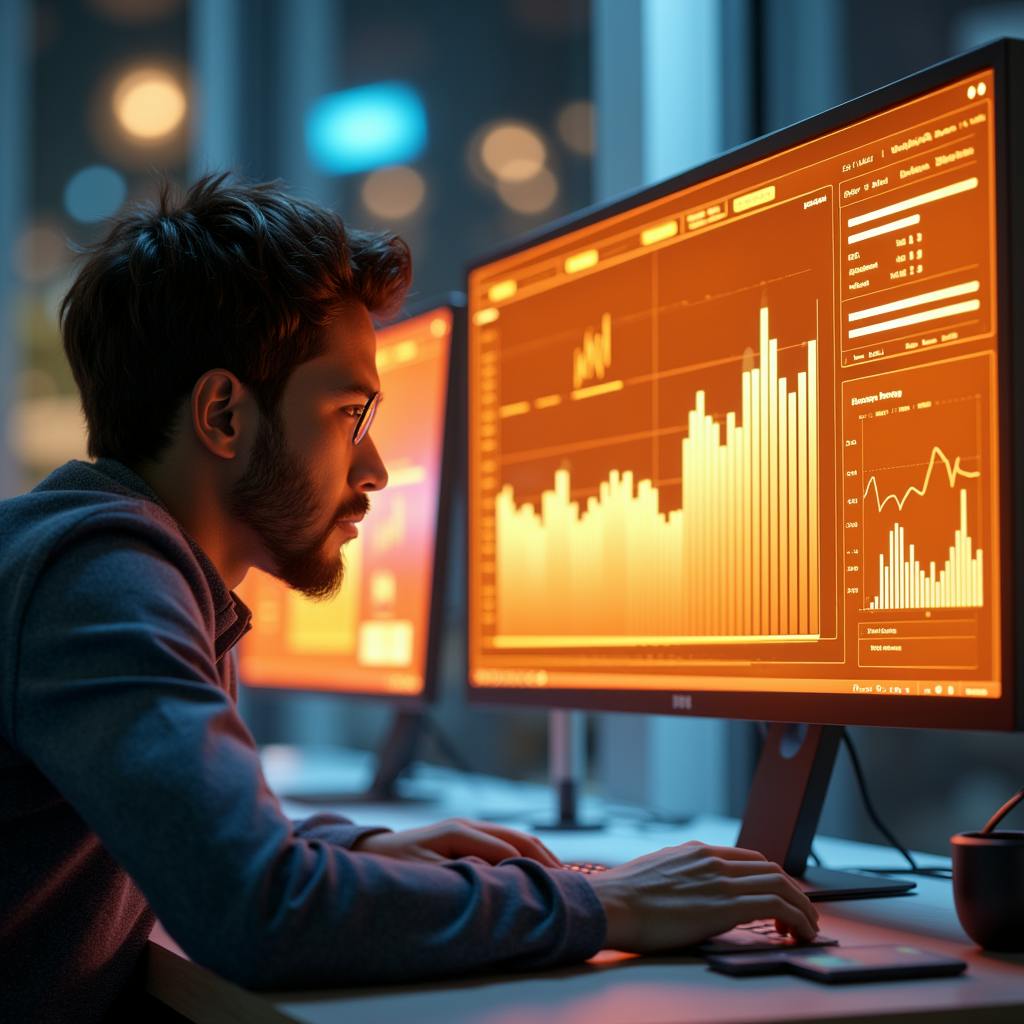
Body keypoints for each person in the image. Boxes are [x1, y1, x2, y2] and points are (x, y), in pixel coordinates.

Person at [0, 175, 818, 1023]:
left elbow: (169, 832)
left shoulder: (91, 560)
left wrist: (359, 847)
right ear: (223, 415)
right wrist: (610, 907)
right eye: (350, 413)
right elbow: (256, 910)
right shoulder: (98, 575)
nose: (376, 469)